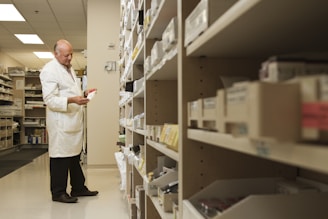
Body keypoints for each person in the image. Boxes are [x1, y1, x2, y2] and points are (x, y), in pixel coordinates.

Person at [40, 39, 98, 203]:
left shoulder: (68, 68)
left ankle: (78, 188)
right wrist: (72, 100)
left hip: (72, 121)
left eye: (71, 54)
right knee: (60, 157)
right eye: (66, 55)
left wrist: (84, 94)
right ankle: (58, 193)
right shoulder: (49, 71)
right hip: (61, 123)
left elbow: (70, 90)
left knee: (74, 156)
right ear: (56, 54)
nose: (70, 58)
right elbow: (50, 100)